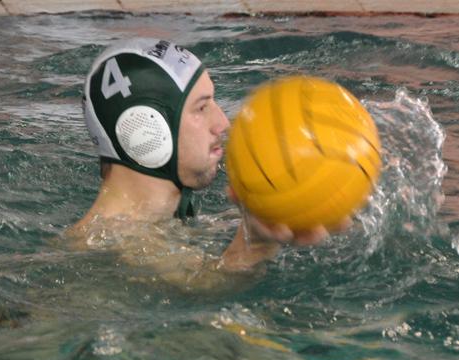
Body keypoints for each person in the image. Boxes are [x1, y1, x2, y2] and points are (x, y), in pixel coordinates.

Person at [68, 38, 340, 288]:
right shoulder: (109, 242)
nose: (222, 123)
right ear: (145, 129)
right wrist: (256, 246)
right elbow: (205, 287)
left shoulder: (160, 224)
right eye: (201, 108)